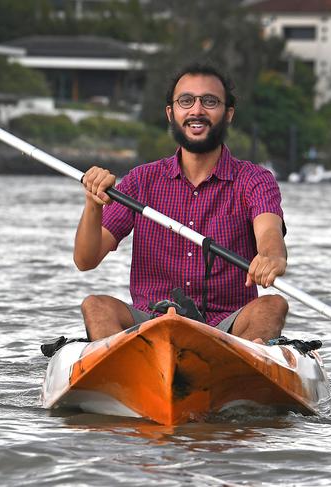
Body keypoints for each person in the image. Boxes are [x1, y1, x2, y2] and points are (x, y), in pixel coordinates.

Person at [74, 63, 288, 343]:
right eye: (186, 101)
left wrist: (271, 257)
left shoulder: (254, 179)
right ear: (171, 113)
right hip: (152, 321)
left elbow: (269, 232)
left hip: (228, 328)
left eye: (209, 101)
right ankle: (121, 373)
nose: (197, 110)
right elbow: (86, 260)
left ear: (228, 114)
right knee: (96, 305)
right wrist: (94, 203)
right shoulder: (142, 180)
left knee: (273, 306)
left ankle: (246, 368)